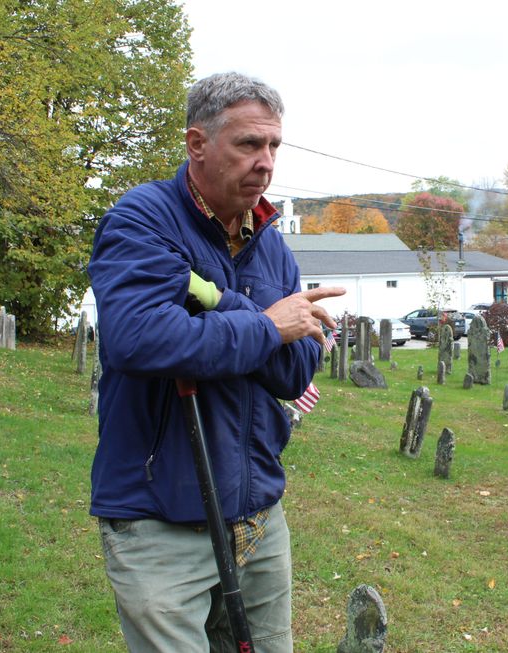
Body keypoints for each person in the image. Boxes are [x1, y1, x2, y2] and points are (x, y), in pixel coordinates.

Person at [88, 72, 344, 652]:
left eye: (274, 146)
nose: (266, 163)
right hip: (160, 516)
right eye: (249, 144)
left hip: (257, 513)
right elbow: (139, 338)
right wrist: (266, 324)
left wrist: (227, 310)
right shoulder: (143, 220)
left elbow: (294, 369)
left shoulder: (270, 240)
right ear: (197, 143)